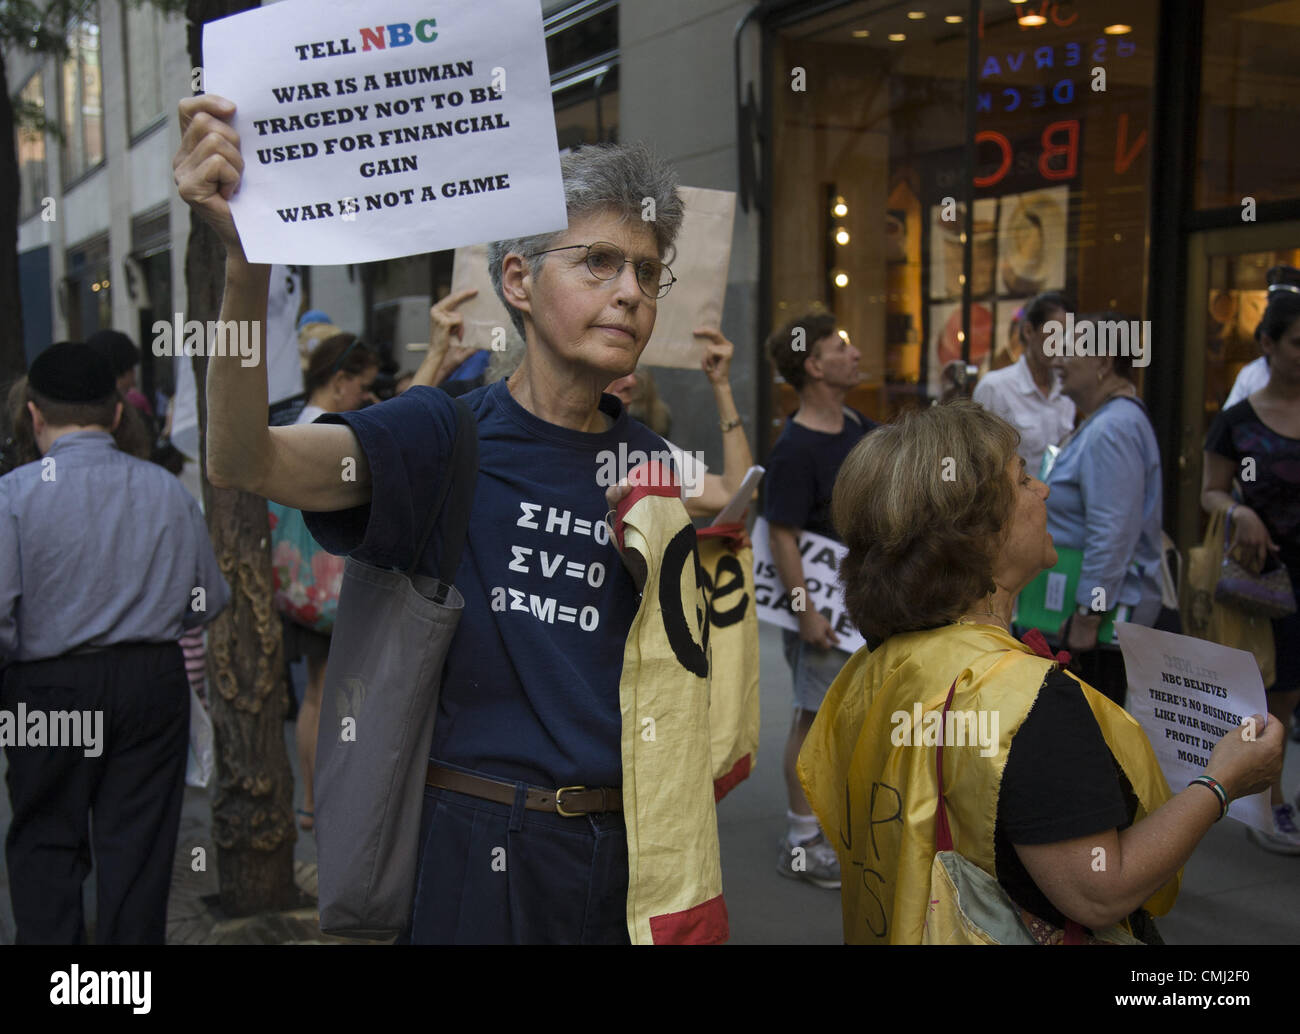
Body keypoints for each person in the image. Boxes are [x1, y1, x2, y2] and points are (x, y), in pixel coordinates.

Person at [175, 94, 718, 943]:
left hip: (630, 861)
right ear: (517, 282)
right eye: (600, 263)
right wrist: (246, 271)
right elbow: (244, 459)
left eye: (648, 272)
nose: (631, 293)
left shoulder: (650, 464)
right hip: (479, 850)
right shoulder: (442, 433)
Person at [798, 400, 1283, 944]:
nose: (1044, 490)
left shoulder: (876, 663)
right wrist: (1221, 782)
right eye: (1024, 478)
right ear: (976, 533)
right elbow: (1100, 890)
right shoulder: (1026, 700)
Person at [0, 342, 230, 943]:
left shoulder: (13, 497)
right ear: (118, 414)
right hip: (150, 683)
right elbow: (207, 599)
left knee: (47, 844)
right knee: (140, 854)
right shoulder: (167, 492)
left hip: (46, 690)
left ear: (33, 415)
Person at [764, 310, 875, 889]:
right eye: (842, 346)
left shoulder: (858, 425)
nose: (854, 354)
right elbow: (780, 533)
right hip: (824, 616)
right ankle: (800, 839)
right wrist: (806, 610)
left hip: (860, 608)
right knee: (812, 715)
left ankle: (830, 824)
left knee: (848, 716)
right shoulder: (795, 449)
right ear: (813, 365)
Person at [1203, 278, 1300, 853]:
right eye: (1296, 342)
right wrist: (1239, 511)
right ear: (1268, 344)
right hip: (1267, 574)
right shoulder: (1239, 418)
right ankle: (1272, 798)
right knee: (1276, 693)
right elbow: (1209, 491)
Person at [277, 332, 378, 831]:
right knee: (346, 695)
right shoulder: (334, 435)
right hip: (339, 590)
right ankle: (339, 802)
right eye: (362, 386)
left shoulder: (293, 425)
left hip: (301, 591)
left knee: (316, 693)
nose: (366, 397)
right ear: (339, 382)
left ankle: (311, 803)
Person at [1045, 312, 1165, 706]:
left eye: (1069, 349)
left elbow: (1111, 532)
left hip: (1099, 631)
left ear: (1102, 362)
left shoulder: (1113, 428)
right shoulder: (1106, 421)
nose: (1057, 360)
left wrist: (1087, 615)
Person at [605, 332, 755, 520]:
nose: (631, 382)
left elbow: (734, 492)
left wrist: (721, 385)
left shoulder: (644, 451)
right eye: (612, 366)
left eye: (631, 368)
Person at [972, 291, 1075, 478]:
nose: (1060, 344)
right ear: (1029, 332)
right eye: (1053, 335)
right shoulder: (995, 387)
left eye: (1066, 337)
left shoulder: (1067, 387)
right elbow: (979, 461)